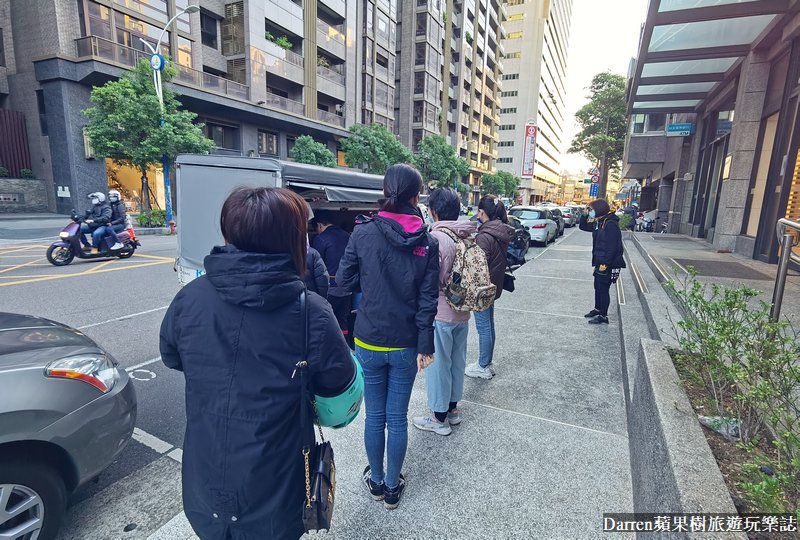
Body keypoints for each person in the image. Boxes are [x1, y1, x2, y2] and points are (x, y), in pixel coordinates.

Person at [159, 187, 357, 539]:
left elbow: (172, 355)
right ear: (294, 240)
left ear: (228, 232)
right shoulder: (311, 312)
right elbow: (340, 394)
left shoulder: (189, 298)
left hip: (204, 486)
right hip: (277, 490)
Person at [338, 163, 439, 510]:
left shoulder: (363, 232)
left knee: (375, 416)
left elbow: (342, 281)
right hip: (407, 343)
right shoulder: (426, 240)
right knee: (397, 418)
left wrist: (371, 284)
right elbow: (429, 300)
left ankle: (377, 481)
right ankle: (393, 487)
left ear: (385, 192)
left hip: (368, 339)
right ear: (416, 195)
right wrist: (426, 344)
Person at [412, 188, 477, 436]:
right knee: (456, 361)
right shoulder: (465, 235)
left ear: (434, 211)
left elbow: (432, 279)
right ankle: (452, 409)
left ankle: (438, 418)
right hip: (463, 311)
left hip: (441, 311)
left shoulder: (438, 238)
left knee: (438, 364)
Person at [465, 195, 514, 380]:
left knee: (484, 327)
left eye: (478, 211)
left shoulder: (485, 236)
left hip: (483, 289)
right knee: (489, 325)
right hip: (494, 285)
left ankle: (483, 366)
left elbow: (478, 265)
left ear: (482, 212)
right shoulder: (499, 231)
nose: (477, 214)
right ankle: (487, 362)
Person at [579, 198, 625, 324]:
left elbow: (612, 246)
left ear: (599, 209)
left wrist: (605, 263)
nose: (591, 212)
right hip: (599, 260)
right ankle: (597, 309)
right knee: (597, 286)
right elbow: (583, 226)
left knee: (603, 288)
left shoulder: (610, 224)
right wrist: (584, 214)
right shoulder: (599, 222)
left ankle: (603, 316)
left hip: (607, 262)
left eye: (592, 210)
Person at [312, 213, 353, 337]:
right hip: (347, 287)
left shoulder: (321, 239)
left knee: (326, 319)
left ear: (319, 225)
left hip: (330, 288)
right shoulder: (348, 236)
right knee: (343, 320)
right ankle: (345, 346)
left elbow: (316, 265)